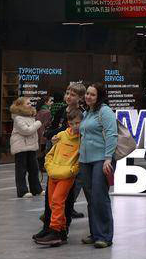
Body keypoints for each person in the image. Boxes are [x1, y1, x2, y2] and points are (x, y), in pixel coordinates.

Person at [35, 108, 83, 246]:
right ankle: (61, 231)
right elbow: (52, 152)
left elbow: (81, 157)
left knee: (57, 200)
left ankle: (55, 230)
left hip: (66, 175)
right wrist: (49, 165)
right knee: (52, 202)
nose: (75, 126)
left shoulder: (82, 138)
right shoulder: (61, 135)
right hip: (54, 172)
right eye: (72, 123)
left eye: (78, 123)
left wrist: (72, 170)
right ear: (68, 123)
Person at [79, 83, 117, 248]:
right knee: (90, 198)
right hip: (85, 160)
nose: (88, 96)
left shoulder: (105, 111)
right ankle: (95, 233)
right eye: (87, 93)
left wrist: (108, 158)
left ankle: (104, 236)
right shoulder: (86, 112)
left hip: (101, 159)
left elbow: (111, 134)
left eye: (92, 94)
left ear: (99, 96)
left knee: (99, 196)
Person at [10, 97, 44, 198]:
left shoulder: (31, 116)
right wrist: (38, 123)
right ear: (20, 106)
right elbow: (26, 131)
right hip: (21, 147)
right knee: (21, 170)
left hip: (31, 146)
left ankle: (36, 189)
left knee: (34, 169)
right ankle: (22, 191)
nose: (30, 105)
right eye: (28, 103)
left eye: (30, 103)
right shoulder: (17, 118)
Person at [35, 97, 53, 174]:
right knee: (44, 150)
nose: (52, 103)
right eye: (50, 101)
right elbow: (47, 124)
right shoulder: (47, 112)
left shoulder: (39, 110)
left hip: (37, 132)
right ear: (46, 102)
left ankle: (39, 165)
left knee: (40, 149)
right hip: (43, 132)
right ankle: (42, 166)